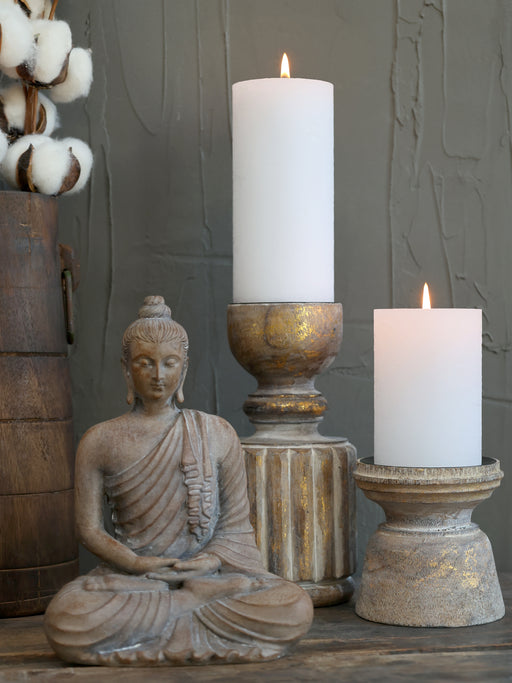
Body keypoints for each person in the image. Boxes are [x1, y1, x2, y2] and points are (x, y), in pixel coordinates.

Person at [44, 296, 313, 666]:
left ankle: (176, 610)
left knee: (293, 606)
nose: (158, 375)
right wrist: (136, 564)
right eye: (145, 362)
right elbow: (89, 530)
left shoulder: (217, 432)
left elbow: (235, 528)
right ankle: (187, 604)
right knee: (67, 618)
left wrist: (208, 562)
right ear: (126, 369)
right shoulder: (100, 440)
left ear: (183, 369)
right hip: (134, 580)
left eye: (169, 363)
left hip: (207, 576)